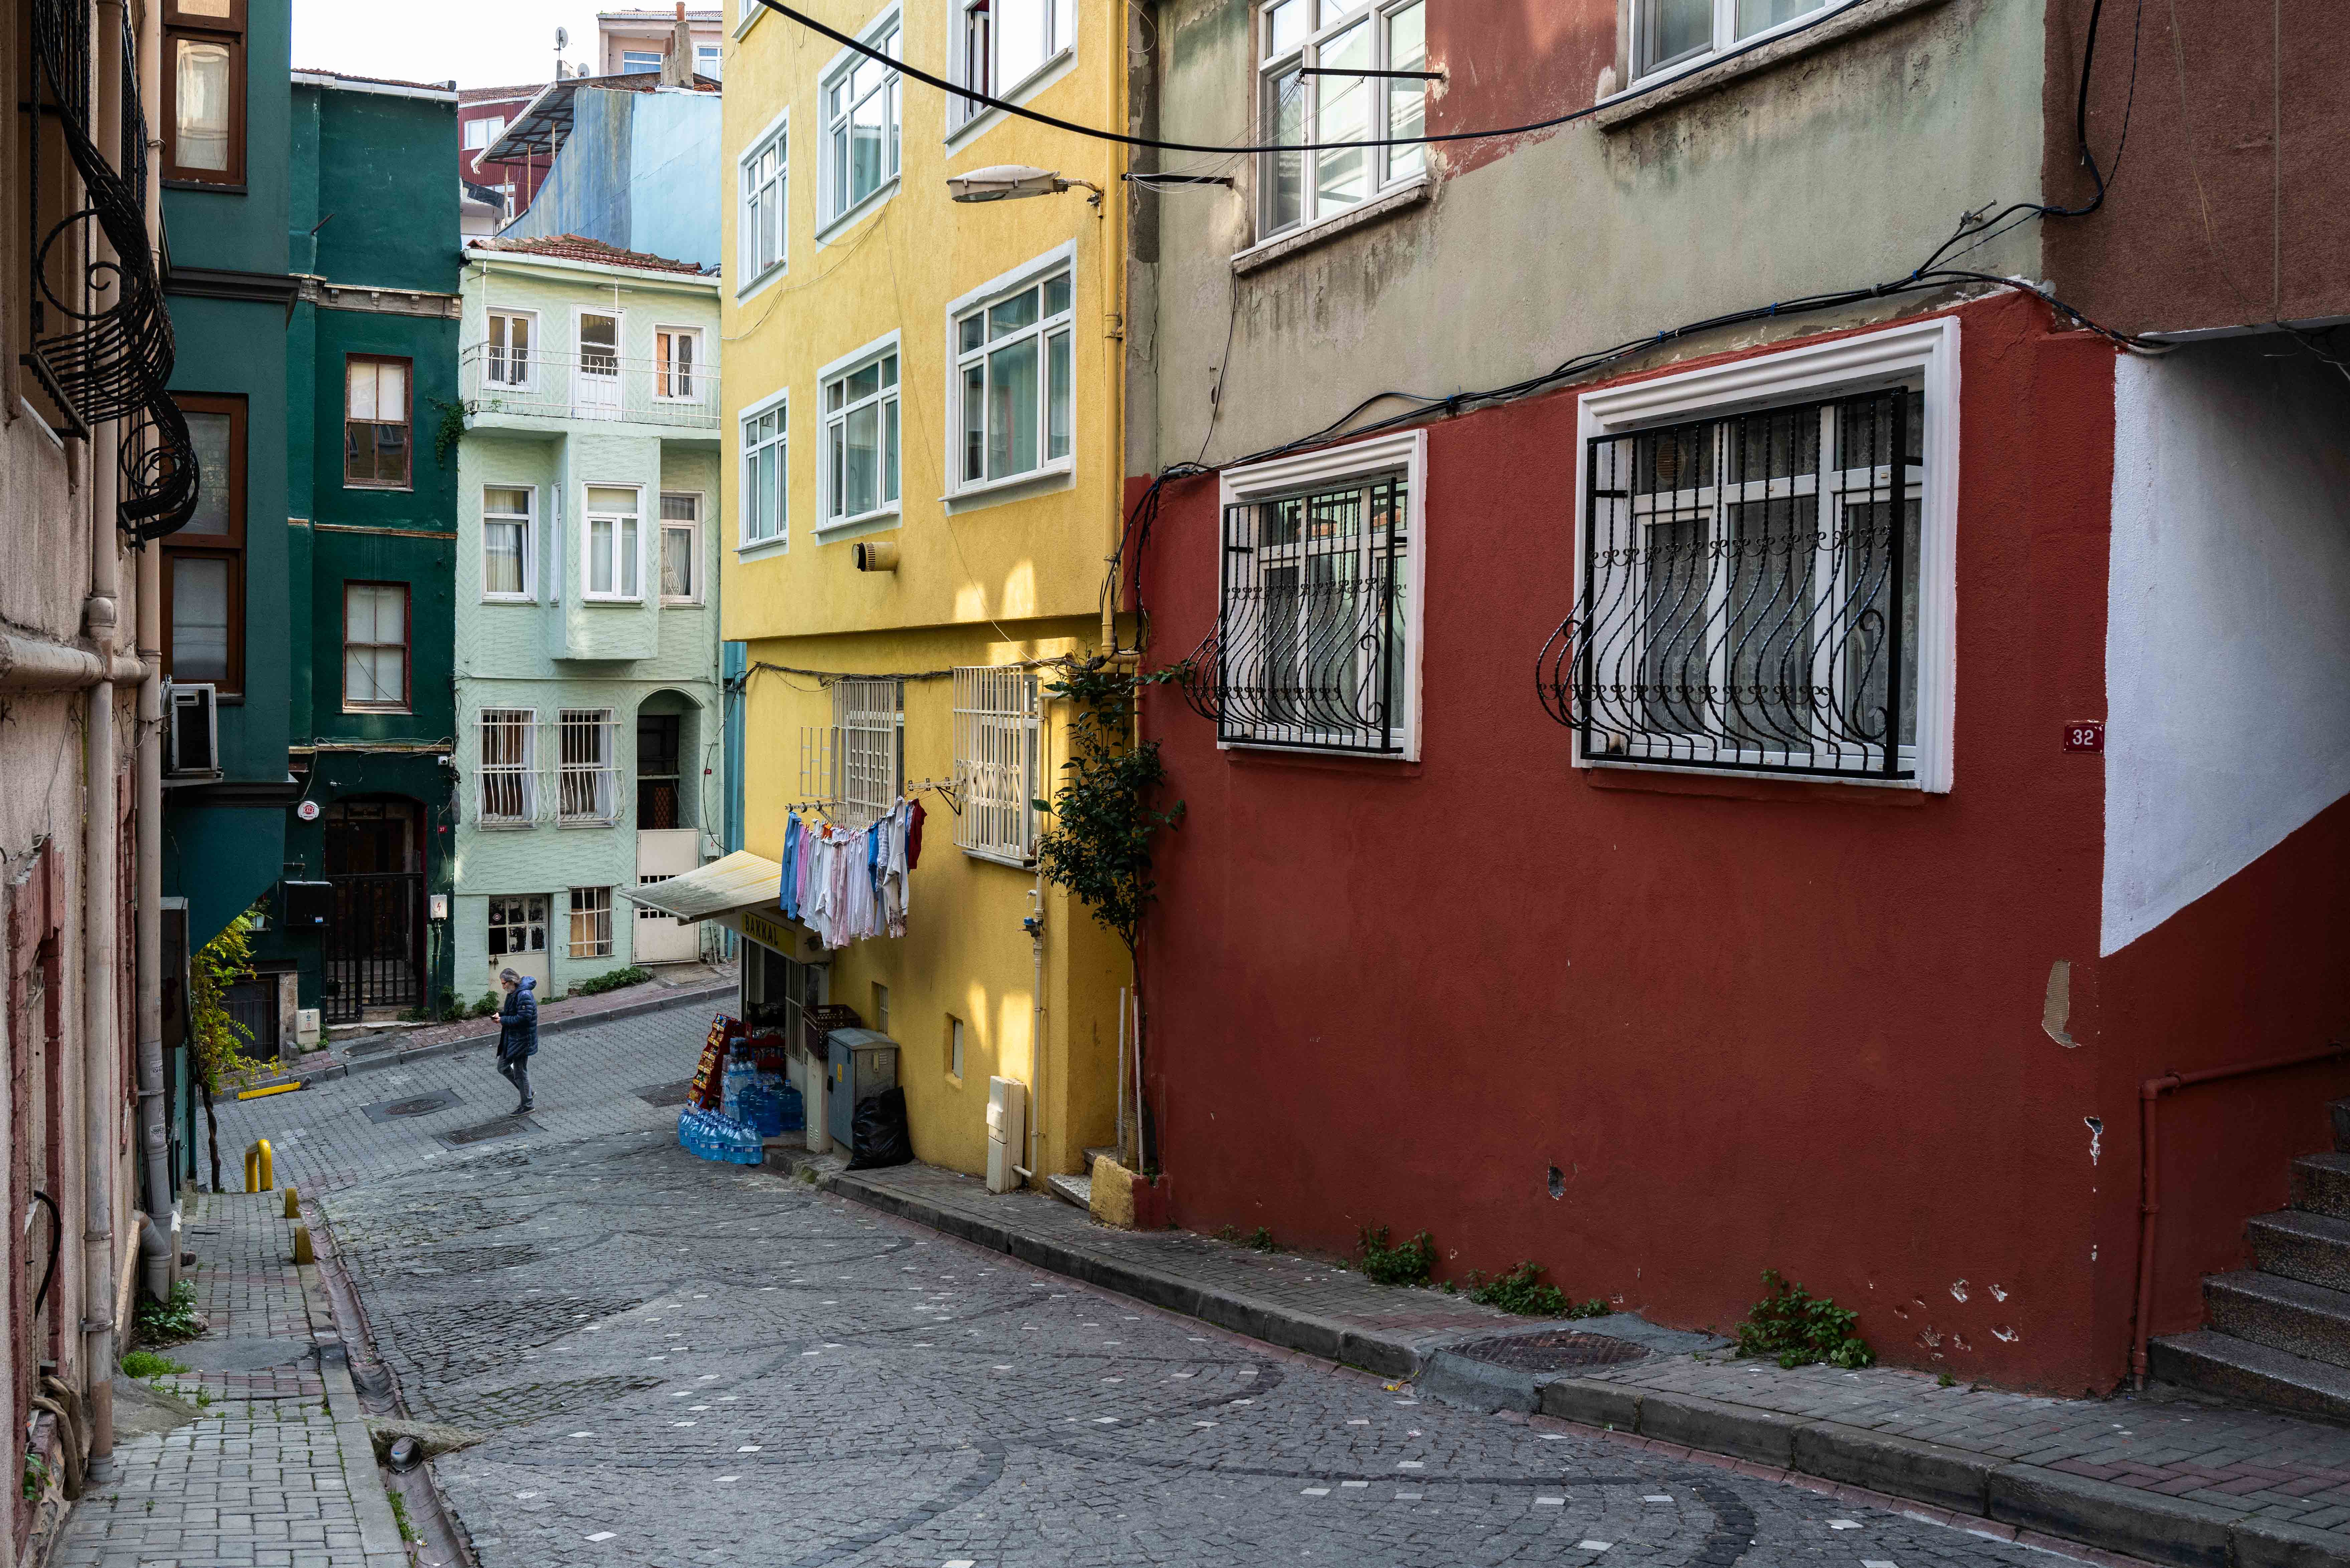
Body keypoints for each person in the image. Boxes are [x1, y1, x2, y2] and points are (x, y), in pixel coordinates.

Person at [495, 968, 538, 1114]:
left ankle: (527, 1105)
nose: (503, 987)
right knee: (503, 1067)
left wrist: (503, 1020)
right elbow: (513, 1013)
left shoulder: (524, 995)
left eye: (504, 984)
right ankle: (527, 1093)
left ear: (512, 981)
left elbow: (524, 1018)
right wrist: (501, 1015)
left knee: (520, 1072)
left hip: (522, 1039)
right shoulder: (513, 993)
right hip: (513, 1039)